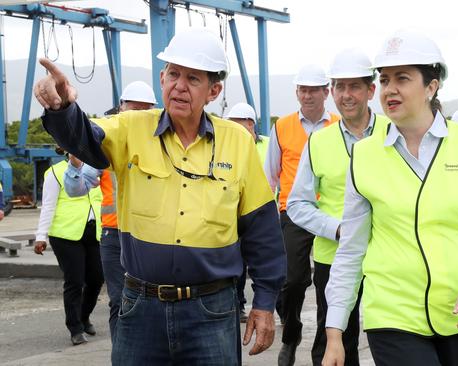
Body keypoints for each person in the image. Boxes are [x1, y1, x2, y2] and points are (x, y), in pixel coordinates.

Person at [34, 27, 286, 365]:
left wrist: (265, 302)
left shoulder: (238, 143)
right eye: (173, 74)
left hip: (211, 310)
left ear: (214, 90)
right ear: (162, 77)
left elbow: (262, 229)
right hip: (141, 308)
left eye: (193, 79)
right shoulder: (131, 127)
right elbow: (86, 137)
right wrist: (63, 107)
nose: (179, 86)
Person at [322, 29, 458, 366]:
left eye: (403, 78)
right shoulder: (365, 156)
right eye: (384, 80)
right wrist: (334, 332)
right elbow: (352, 249)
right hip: (392, 316)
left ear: (432, 86)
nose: (390, 89)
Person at [287, 48, 389, 366]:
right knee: (332, 340)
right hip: (334, 257)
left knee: (390, 336)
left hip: (387, 257)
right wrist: (337, 228)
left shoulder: (393, 133)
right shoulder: (318, 142)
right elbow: (297, 204)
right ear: (331, 92)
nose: (346, 95)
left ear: (371, 90)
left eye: (354, 86)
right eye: (339, 87)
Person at [62, 81, 156, 343]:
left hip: (152, 236)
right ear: (121, 108)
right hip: (115, 236)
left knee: (152, 301)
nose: (136, 117)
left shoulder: (163, 145)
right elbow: (76, 188)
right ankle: (123, 355)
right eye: (132, 110)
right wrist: (74, 163)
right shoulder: (106, 146)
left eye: (144, 111)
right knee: (120, 300)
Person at [264, 63, 340, 366]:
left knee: (328, 285)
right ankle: (291, 336)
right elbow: (271, 174)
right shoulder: (282, 126)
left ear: (326, 92)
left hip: (329, 213)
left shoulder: (337, 125)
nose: (307, 95)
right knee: (293, 281)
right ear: (297, 92)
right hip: (293, 213)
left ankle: (321, 350)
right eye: (302, 89)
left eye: (313, 90)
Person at [33, 151, 104, 346]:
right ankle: (75, 328)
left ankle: (83, 316)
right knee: (75, 280)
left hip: (94, 231)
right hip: (65, 234)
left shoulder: (95, 169)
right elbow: (48, 206)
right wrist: (41, 236)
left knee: (97, 278)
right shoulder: (55, 172)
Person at [224, 102, 270, 323]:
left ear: (251, 125)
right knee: (238, 264)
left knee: (266, 263)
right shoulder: (227, 147)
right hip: (235, 216)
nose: (233, 129)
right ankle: (238, 305)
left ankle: (270, 304)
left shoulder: (268, 146)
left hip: (262, 214)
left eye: (238, 125)